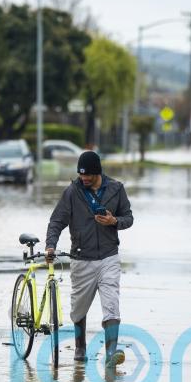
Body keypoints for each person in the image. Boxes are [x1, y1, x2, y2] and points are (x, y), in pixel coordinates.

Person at [45, 151, 133, 369]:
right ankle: (80, 347)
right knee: (79, 307)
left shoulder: (116, 189)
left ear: (97, 172)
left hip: (109, 256)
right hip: (81, 258)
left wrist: (114, 221)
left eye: (87, 175)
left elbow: (129, 218)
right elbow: (56, 221)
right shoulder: (72, 192)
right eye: (80, 174)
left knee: (111, 304)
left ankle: (111, 353)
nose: (83, 178)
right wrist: (50, 245)